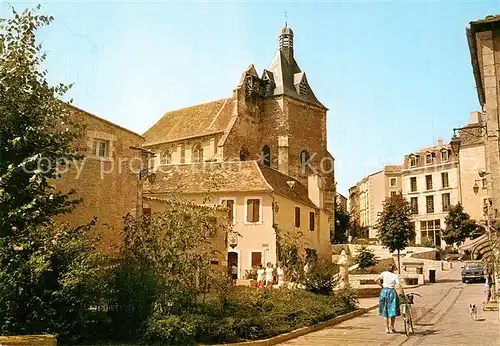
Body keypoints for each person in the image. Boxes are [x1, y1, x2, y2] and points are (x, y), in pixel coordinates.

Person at [374, 263, 404, 334]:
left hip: (384, 291)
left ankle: (387, 329)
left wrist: (382, 285)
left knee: (385, 310)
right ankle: (392, 326)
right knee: (392, 309)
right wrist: (402, 293)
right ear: (393, 269)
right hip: (391, 292)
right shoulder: (395, 276)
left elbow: (375, 280)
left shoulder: (383, 273)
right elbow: (398, 285)